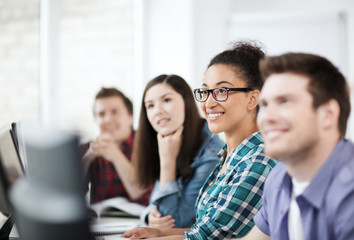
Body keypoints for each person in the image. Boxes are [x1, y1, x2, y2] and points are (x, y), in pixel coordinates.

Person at [122, 41, 278, 239]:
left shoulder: (258, 160)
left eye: (222, 91)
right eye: (205, 92)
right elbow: (206, 230)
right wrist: (159, 231)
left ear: (252, 98)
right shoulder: (230, 156)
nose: (208, 103)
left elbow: (206, 238)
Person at [239, 53, 354, 240]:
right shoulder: (278, 177)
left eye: (284, 101)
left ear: (328, 114)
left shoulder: (349, 191)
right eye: (265, 104)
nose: (267, 117)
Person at [134, 74, 224, 228]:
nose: (157, 111)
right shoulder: (168, 140)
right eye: (150, 106)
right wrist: (149, 216)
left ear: (186, 102)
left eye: (166, 100)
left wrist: (167, 163)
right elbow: (156, 205)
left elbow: (175, 222)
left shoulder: (211, 154)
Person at [80, 87, 151, 205]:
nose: (108, 119)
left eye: (115, 112)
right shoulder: (88, 149)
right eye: (101, 114)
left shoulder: (147, 143)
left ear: (130, 117)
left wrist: (116, 156)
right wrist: (87, 159)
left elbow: (142, 194)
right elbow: (69, 195)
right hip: (103, 221)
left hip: (141, 221)